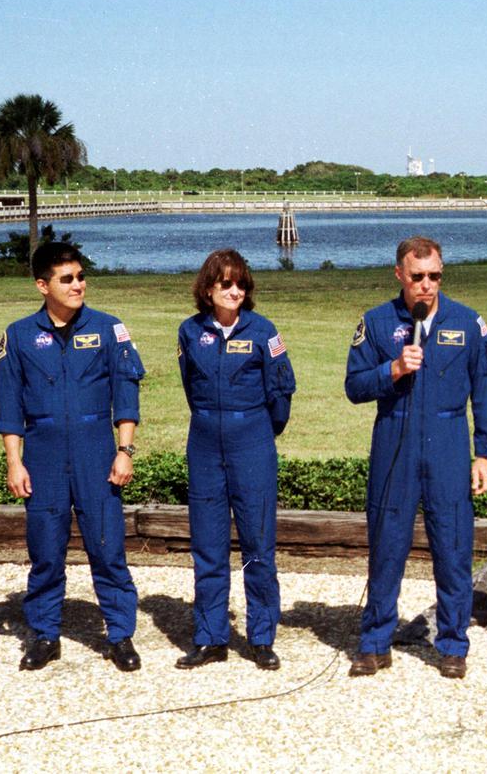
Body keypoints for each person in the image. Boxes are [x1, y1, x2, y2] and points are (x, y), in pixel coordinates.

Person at [344, 236, 487, 679]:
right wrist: (391, 370)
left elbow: (484, 393)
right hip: (395, 441)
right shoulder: (376, 323)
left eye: (434, 276)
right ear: (399, 275)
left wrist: (484, 453)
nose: (426, 286)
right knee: (387, 546)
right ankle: (375, 641)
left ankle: (452, 643)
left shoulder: (468, 322)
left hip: (449, 442)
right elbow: (354, 387)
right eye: (417, 277)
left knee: (453, 547)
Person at [0, 242, 146, 672]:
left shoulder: (108, 328)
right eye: (67, 279)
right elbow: (9, 407)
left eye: (80, 276)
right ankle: (45, 634)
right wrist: (14, 461)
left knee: (107, 547)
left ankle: (119, 635)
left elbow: (126, 395)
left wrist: (124, 451)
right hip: (42, 454)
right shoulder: (19, 336)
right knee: (45, 549)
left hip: (96, 452)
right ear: (42, 285)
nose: (78, 285)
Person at [174, 249, 296, 671]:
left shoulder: (264, 332)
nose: (234, 291)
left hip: (252, 444)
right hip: (206, 443)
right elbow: (191, 387)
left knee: (258, 546)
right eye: (226, 283)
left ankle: (261, 638)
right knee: (207, 547)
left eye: (241, 284)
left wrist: (257, 432)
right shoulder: (190, 333)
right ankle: (210, 637)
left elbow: (281, 394)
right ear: (208, 288)